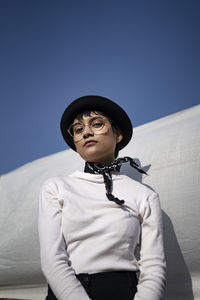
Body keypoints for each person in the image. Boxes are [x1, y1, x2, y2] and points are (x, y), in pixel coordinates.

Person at [38, 95, 166, 300]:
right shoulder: (56, 187)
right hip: (66, 292)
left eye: (97, 124)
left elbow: (154, 266)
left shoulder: (144, 195)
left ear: (118, 135)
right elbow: (52, 258)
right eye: (78, 130)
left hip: (124, 291)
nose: (86, 132)